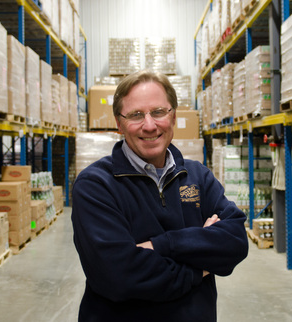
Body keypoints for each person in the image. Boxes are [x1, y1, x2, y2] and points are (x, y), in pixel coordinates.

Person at [71, 70, 248, 322]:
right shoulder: (96, 185)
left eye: (158, 112)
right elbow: (118, 276)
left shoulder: (198, 176)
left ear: (173, 116)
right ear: (119, 124)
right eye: (135, 115)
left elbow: (236, 241)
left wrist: (160, 246)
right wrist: (201, 267)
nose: (150, 125)